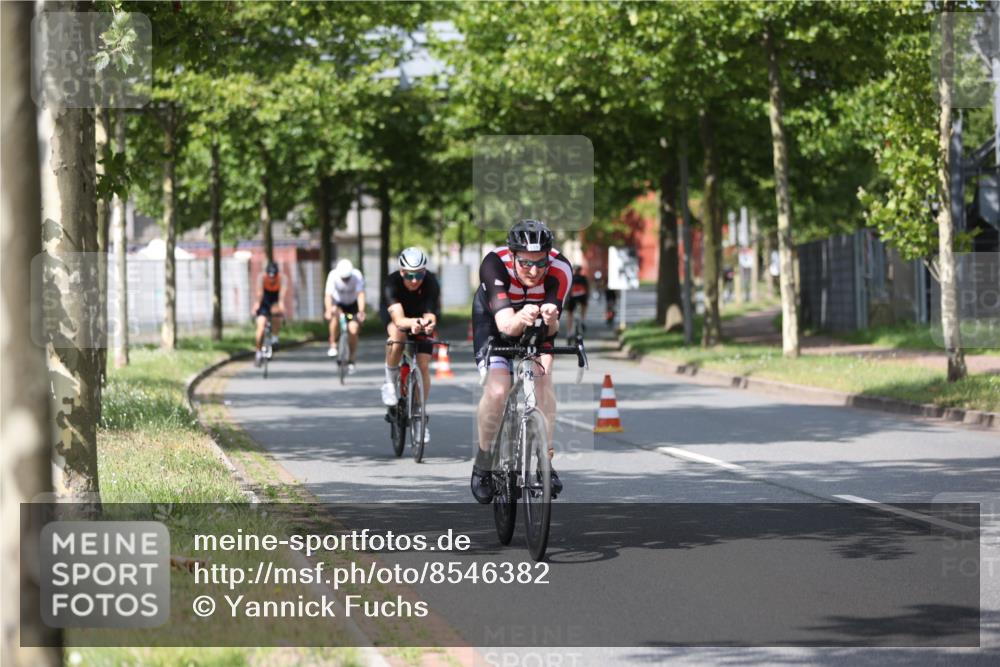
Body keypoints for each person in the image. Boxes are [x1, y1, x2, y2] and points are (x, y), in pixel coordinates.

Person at [470, 219, 572, 504]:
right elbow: (506, 327)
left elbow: (551, 331)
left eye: (541, 264)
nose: (534, 271)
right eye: (526, 263)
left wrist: (550, 320)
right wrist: (521, 317)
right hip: (496, 322)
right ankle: (483, 460)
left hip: (536, 323)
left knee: (543, 377)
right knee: (499, 389)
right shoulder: (494, 264)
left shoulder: (561, 269)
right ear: (512, 255)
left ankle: (545, 459)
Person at [380, 247, 441, 445]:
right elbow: (398, 320)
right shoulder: (392, 283)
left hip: (420, 316)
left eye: (419, 274)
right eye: (409, 275)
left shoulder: (431, 282)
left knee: (423, 363)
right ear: (401, 272)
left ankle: (419, 414)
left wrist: (428, 323)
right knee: (397, 337)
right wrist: (411, 324)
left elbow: (431, 314)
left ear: (425, 272)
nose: (414, 280)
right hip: (398, 317)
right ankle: (390, 382)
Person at [324, 258, 366, 373]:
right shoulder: (333, 275)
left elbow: (360, 294)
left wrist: (361, 311)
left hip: (352, 305)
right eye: (343, 279)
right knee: (334, 317)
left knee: (353, 328)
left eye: (347, 278)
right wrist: (328, 310)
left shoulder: (357, 275)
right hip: (338, 304)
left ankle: (352, 358)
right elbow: (328, 295)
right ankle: (333, 344)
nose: (346, 281)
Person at [254, 261, 285, 366]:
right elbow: (259, 293)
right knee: (261, 327)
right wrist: (257, 304)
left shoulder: (282, 279)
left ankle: (275, 338)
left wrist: (280, 306)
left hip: (275, 299)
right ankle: (258, 352)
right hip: (264, 300)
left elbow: (281, 296)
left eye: (274, 276)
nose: (271, 279)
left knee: (276, 315)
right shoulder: (261, 278)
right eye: (269, 276)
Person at [564, 264, 590, 344]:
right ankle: (583, 320)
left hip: (572, 298)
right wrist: (587, 298)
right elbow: (588, 289)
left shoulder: (570, 278)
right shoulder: (583, 278)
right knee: (584, 306)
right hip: (582, 297)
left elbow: (567, 290)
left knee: (569, 313)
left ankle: (569, 332)